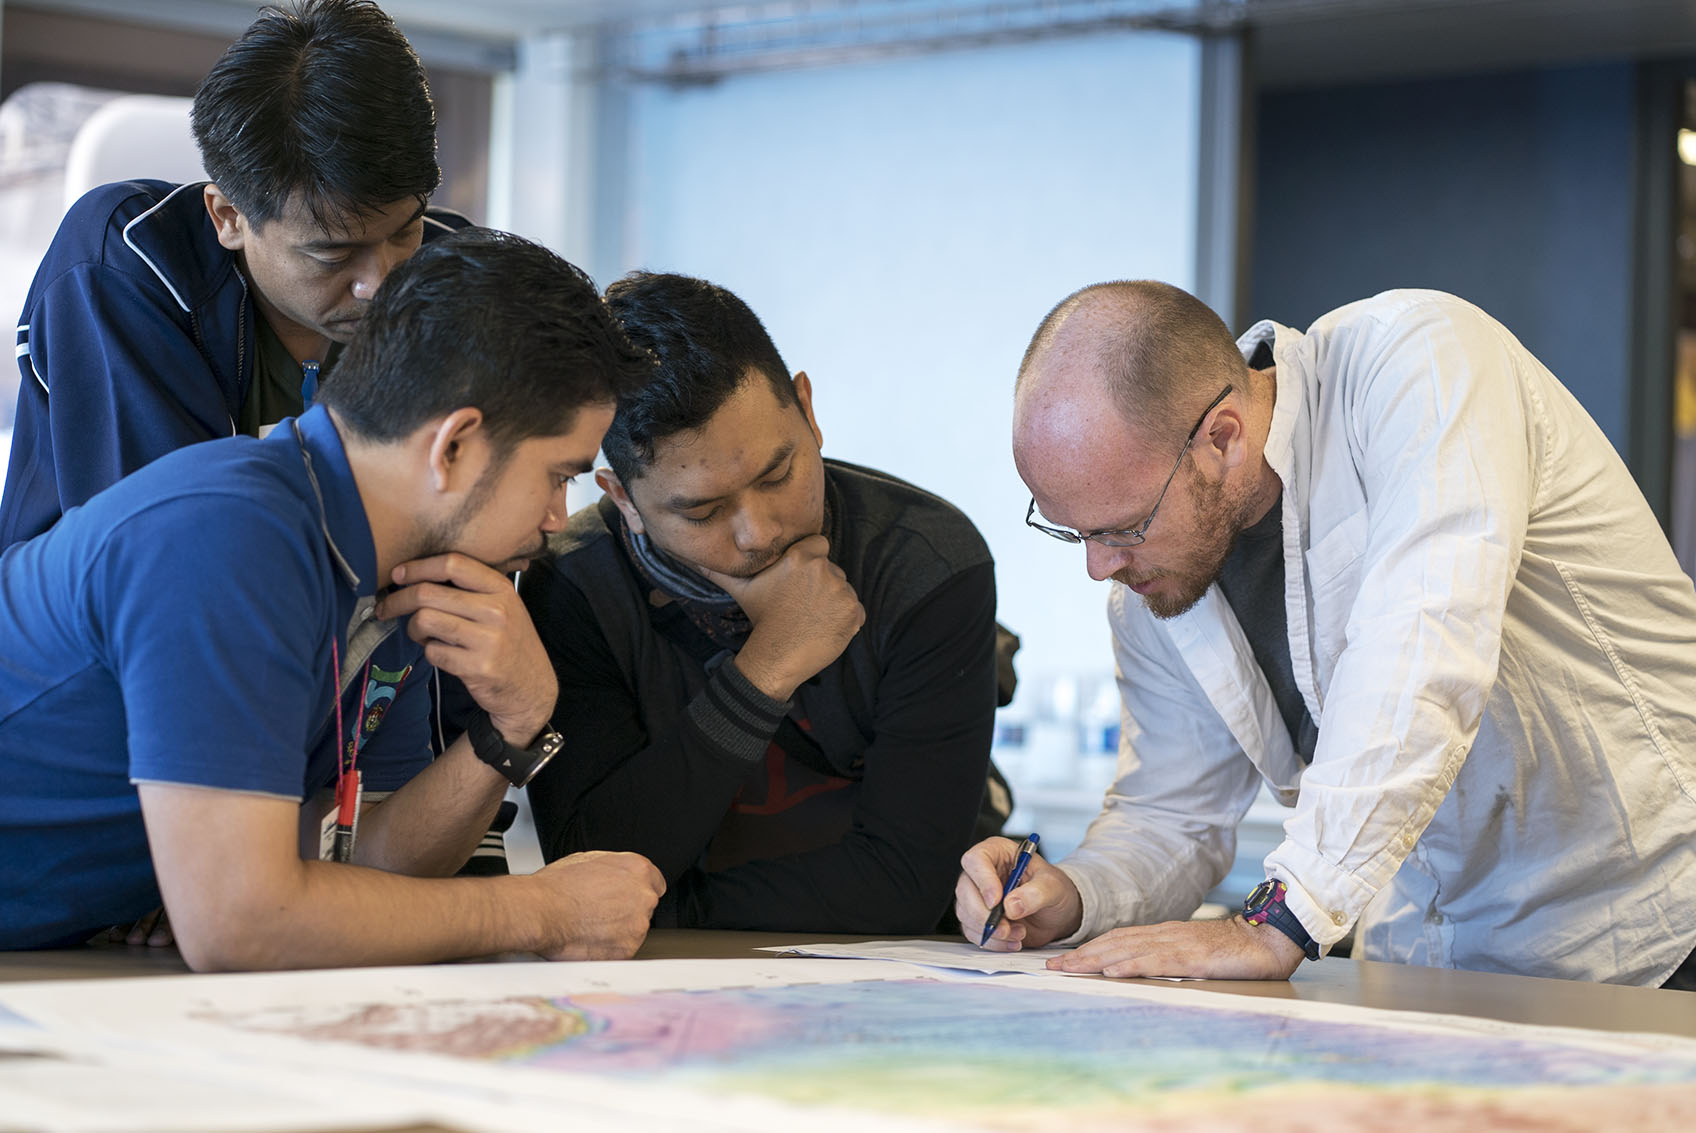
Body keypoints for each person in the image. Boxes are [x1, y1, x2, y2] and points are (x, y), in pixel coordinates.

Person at [958, 283, 1696, 988]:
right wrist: (1072, 894)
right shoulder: (1154, 580)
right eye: (1074, 532)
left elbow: (1420, 656)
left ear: (1221, 438)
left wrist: (1279, 919)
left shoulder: (1420, 363)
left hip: (1651, 926)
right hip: (1439, 963)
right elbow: (1170, 815)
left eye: (1122, 526)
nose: (1099, 567)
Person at [0, 229, 665, 969]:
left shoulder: (403, 575)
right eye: (557, 475)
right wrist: (543, 910)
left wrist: (512, 727)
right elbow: (239, 924)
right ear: (452, 447)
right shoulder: (231, 535)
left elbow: (366, 870)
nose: (555, 519)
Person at [515, 271, 1007, 932]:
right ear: (622, 497)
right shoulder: (575, 583)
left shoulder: (926, 563)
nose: (761, 531)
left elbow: (906, 885)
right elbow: (590, 863)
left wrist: (665, 909)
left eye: (779, 473)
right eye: (703, 511)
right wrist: (766, 666)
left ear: (807, 407)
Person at [0, 0, 469, 551]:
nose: (382, 282)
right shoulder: (125, 264)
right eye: (333, 254)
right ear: (229, 217)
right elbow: (173, 551)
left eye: (403, 231)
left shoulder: (451, 270)